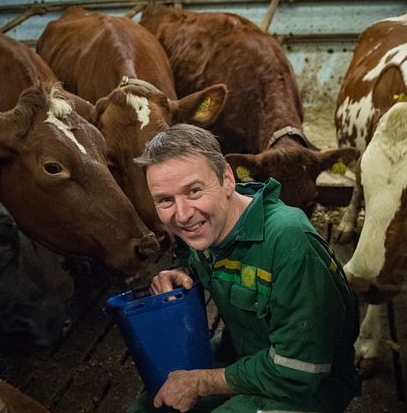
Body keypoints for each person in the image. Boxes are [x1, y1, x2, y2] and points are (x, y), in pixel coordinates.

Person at [129, 124, 360, 413]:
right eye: (165, 200)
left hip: (307, 384)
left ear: (227, 178)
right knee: (148, 405)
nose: (183, 214)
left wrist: (200, 382)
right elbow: (185, 253)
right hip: (244, 353)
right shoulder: (205, 231)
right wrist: (181, 272)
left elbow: (301, 370)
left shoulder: (289, 240)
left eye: (195, 190)